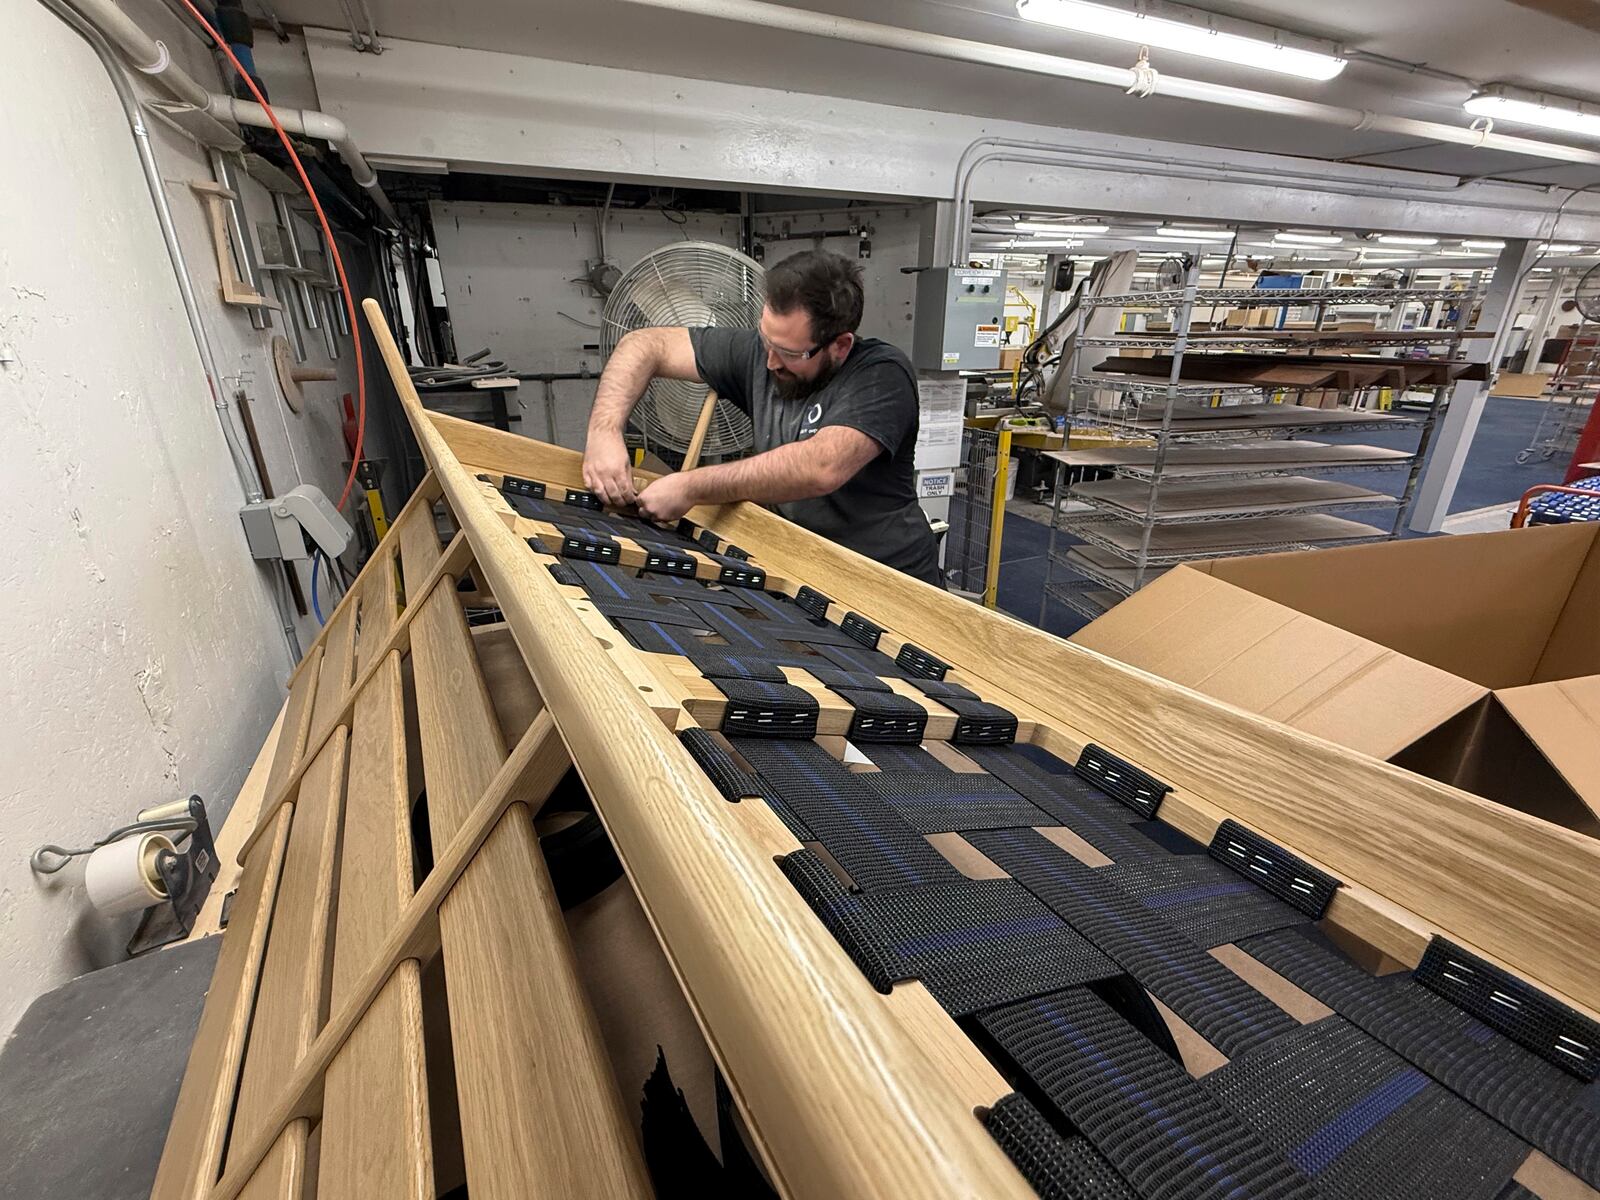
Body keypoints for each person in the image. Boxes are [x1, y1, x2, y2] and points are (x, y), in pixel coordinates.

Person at [582, 249, 942, 585]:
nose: (770, 361)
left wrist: (689, 486)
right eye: (766, 340)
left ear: (840, 346)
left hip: (887, 582)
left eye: (787, 352)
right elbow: (644, 344)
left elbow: (820, 467)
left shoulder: (882, 375)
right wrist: (604, 431)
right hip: (803, 572)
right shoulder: (762, 354)